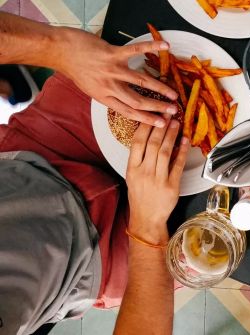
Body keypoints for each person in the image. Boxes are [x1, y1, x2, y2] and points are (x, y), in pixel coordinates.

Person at [0, 12, 184, 334]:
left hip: (31, 154)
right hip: (93, 266)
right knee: (239, 211)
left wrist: (56, 48)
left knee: (144, 40)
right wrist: (148, 228)